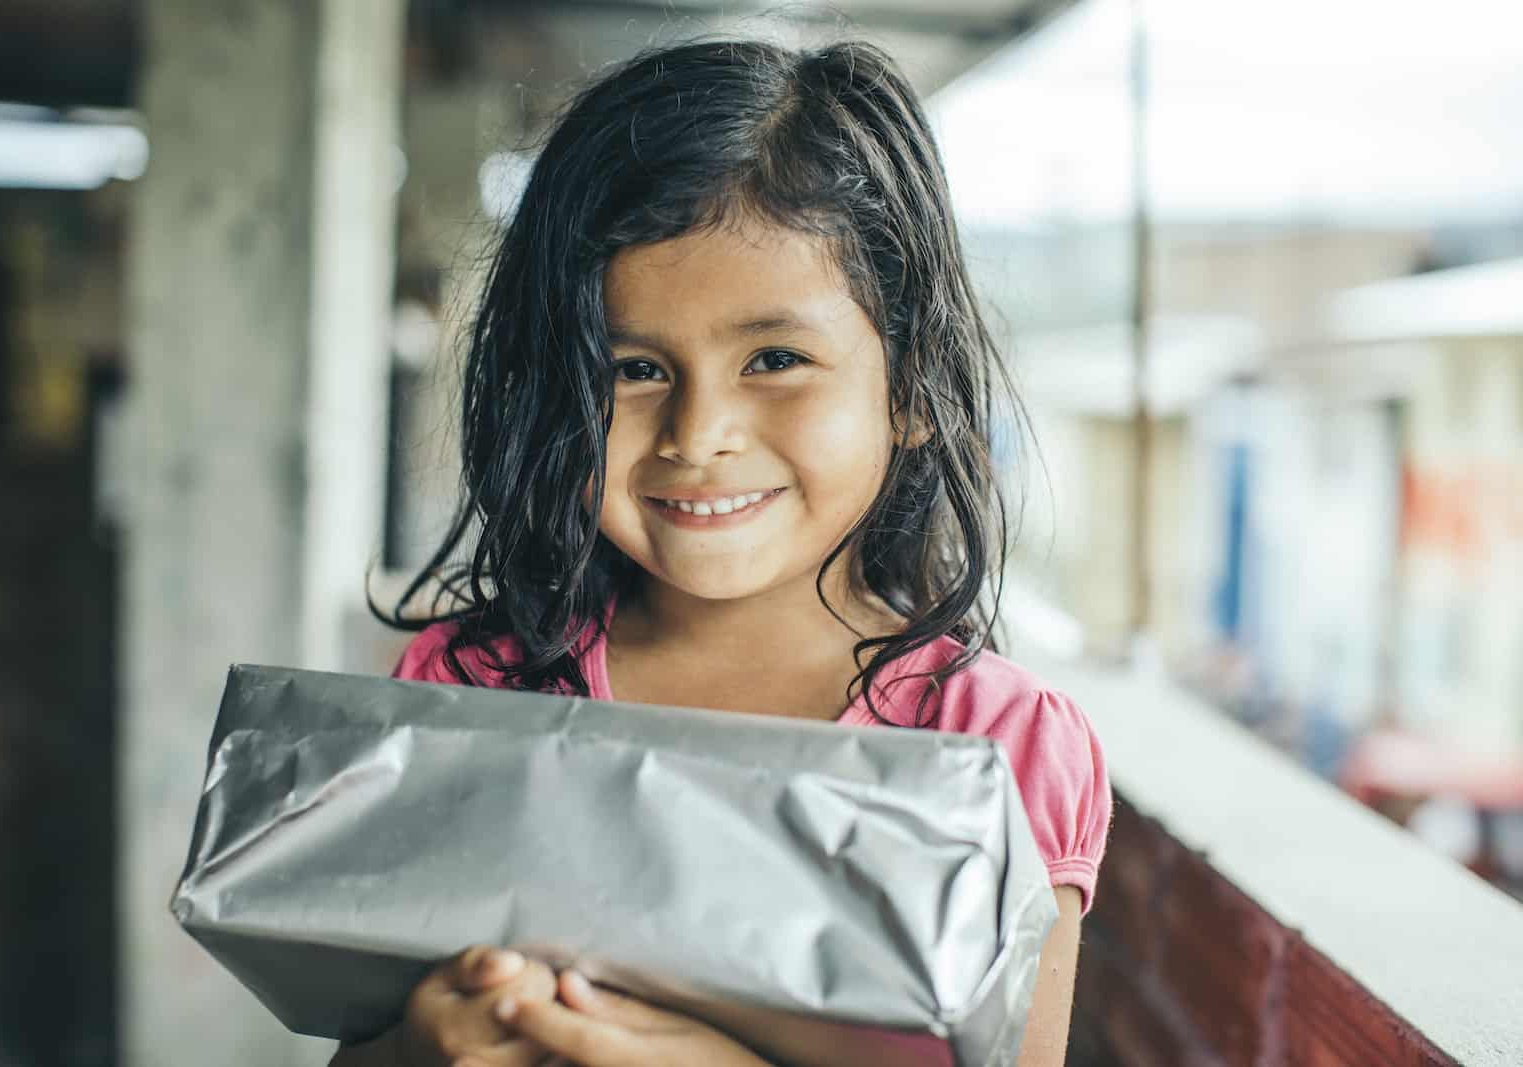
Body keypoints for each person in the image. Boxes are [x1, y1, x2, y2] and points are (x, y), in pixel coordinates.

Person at [338, 37, 1111, 1067]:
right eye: (635, 367)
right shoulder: (469, 688)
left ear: (912, 388)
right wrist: (417, 1045)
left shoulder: (993, 746)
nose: (698, 433)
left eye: (775, 359)